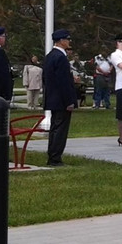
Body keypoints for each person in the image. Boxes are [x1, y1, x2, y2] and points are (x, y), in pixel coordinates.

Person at [42, 30, 77, 167]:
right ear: (61, 41)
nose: (68, 42)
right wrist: (69, 100)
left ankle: (53, 155)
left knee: (55, 128)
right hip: (61, 100)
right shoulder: (60, 57)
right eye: (67, 39)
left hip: (53, 97)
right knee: (60, 130)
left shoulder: (50, 56)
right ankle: (55, 158)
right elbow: (63, 82)